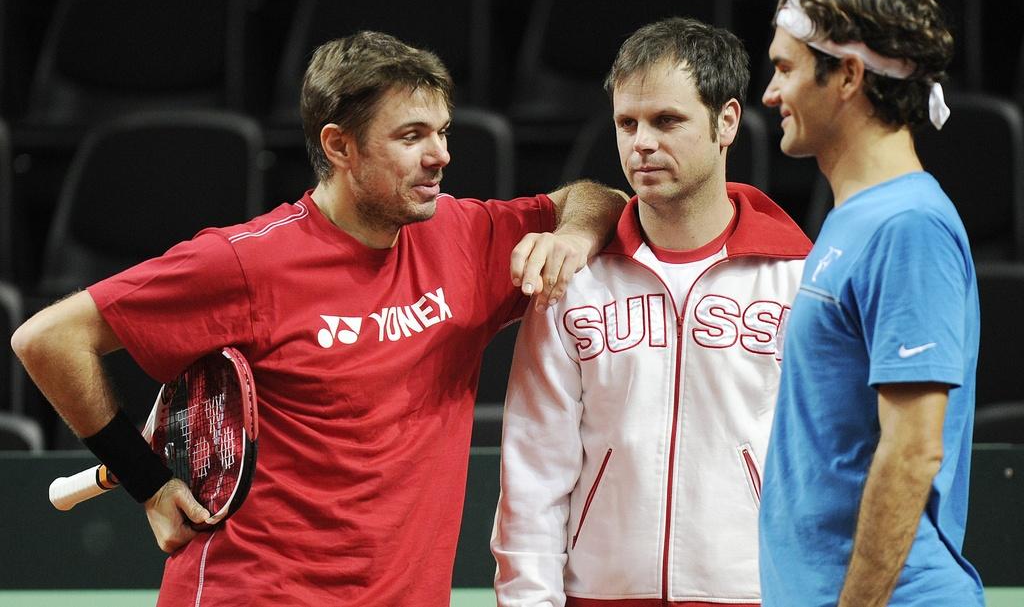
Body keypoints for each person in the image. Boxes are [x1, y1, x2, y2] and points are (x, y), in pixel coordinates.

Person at [11, 31, 627, 606]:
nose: (440, 155)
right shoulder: (244, 262)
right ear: (339, 146)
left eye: (443, 131)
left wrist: (570, 238)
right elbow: (49, 339)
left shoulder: (463, 237)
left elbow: (598, 199)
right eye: (411, 136)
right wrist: (146, 480)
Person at [490, 17, 811, 606]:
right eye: (626, 123)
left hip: (759, 593)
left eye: (667, 121)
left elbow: (829, 466)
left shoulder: (798, 277)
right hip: (599, 595)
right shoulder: (575, 277)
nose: (641, 142)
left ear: (727, 122)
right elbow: (534, 467)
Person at [758, 0, 985, 607]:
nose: (770, 94)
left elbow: (913, 449)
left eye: (785, 67)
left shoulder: (906, 224)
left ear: (849, 76)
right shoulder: (855, 219)